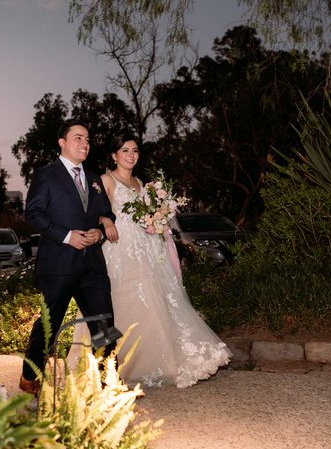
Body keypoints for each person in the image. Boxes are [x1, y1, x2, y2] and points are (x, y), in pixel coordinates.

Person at [72, 133, 232, 388]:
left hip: (146, 250)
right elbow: (95, 212)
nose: (130, 155)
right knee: (116, 303)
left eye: (135, 150)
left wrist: (156, 221)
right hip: (120, 250)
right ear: (114, 155)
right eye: (125, 150)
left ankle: (165, 363)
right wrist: (106, 221)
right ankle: (111, 364)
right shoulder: (106, 180)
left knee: (155, 301)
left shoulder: (140, 183)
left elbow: (148, 215)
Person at [19, 121, 117, 396]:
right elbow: (33, 214)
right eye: (78, 138)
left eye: (87, 139)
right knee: (49, 325)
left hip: (92, 266)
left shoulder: (95, 178)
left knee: (104, 323)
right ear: (62, 142)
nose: (84, 143)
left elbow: (106, 211)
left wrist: (100, 230)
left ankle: (109, 382)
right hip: (58, 265)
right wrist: (66, 236)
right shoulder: (46, 175)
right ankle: (30, 377)